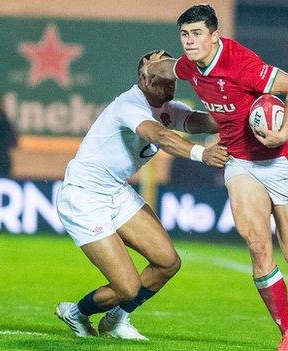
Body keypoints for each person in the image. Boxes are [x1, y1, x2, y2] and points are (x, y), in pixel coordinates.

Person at [144, 5, 288, 350]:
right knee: (257, 244)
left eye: (197, 34)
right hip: (238, 162)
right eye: (185, 35)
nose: (190, 42)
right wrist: (150, 66)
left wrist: (283, 134)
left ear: (214, 35)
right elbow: (167, 68)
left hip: (279, 159)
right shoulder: (189, 64)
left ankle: (284, 220)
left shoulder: (242, 65)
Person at [54, 50, 228, 340]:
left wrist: (240, 114)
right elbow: (158, 135)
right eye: (158, 76)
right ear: (143, 77)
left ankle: (116, 320)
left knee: (168, 262)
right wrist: (202, 153)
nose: (166, 83)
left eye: (169, 77)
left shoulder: (165, 107)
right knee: (127, 288)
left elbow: (200, 121)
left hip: (116, 191)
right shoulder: (129, 104)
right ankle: (76, 313)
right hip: (84, 195)